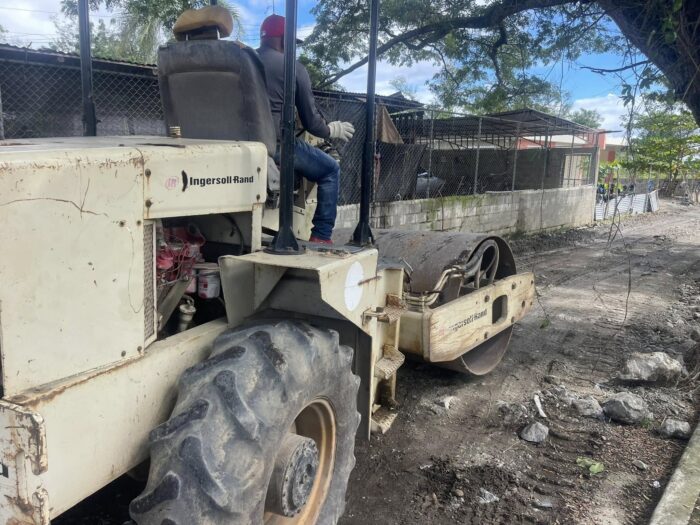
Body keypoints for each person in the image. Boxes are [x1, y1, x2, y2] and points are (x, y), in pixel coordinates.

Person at [257, 14, 355, 244]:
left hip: (240, 142)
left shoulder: (243, 61)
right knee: (330, 169)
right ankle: (321, 235)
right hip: (275, 145)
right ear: (284, 40)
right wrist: (331, 130)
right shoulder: (293, 68)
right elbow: (311, 123)